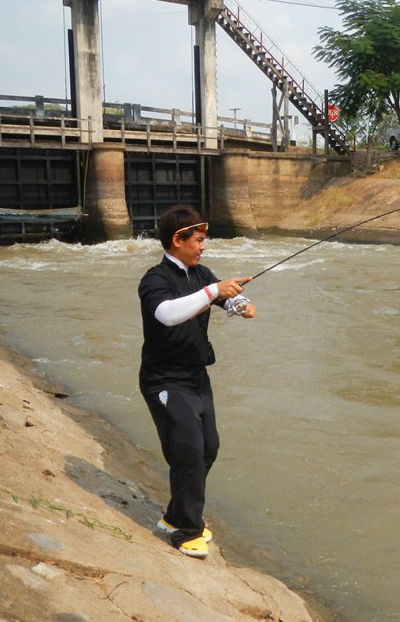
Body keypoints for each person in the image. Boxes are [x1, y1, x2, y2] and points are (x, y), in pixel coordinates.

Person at [137, 204, 255, 558]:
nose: (204, 247)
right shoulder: (154, 279)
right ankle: (187, 530)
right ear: (178, 239)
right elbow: (168, 314)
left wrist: (240, 304)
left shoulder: (201, 273)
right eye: (199, 240)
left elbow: (224, 299)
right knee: (187, 452)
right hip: (164, 379)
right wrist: (213, 292)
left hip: (195, 375)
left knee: (208, 448)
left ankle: (175, 515)